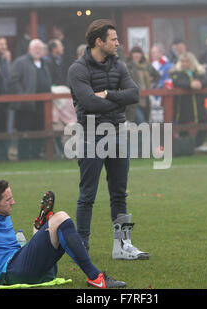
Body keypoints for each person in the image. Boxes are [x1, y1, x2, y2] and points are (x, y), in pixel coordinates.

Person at [0, 180, 125, 289]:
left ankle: (42, 229)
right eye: (8, 199)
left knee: (56, 226)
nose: (13, 202)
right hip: (10, 271)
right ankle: (96, 277)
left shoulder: (3, 215)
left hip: (21, 264)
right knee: (61, 218)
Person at [67, 19, 148, 260]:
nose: (118, 43)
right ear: (99, 41)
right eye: (113, 39)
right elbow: (89, 103)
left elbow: (134, 94)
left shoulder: (120, 66)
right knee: (87, 195)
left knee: (119, 194)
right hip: (90, 134)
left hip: (118, 132)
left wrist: (108, 94)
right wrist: (117, 99)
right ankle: (82, 248)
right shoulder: (78, 69)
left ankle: (122, 246)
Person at [8, 39, 52, 161]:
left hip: (43, 105)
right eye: (35, 48)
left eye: (40, 48)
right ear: (29, 49)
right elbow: (13, 81)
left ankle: (37, 154)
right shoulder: (20, 62)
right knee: (24, 131)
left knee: (40, 130)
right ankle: (23, 157)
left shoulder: (45, 63)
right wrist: (23, 96)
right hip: (25, 106)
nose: (38, 50)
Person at [170, 52, 207, 153]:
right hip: (183, 106)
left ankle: (197, 144)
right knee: (183, 125)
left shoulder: (199, 72)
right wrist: (190, 84)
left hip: (198, 104)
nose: (184, 64)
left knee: (205, 122)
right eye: (182, 61)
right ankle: (186, 147)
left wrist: (200, 83)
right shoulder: (176, 72)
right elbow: (177, 82)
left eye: (187, 61)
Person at [126, 45, 160, 124]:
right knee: (142, 122)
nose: (136, 55)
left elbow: (157, 76)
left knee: (144, 122)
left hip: (146, 100)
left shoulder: (147, 65)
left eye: (138, 53)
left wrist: (152, 83)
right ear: (131, 54)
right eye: (134, 53)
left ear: (142, 55)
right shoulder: (128, 66)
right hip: (133, 101)